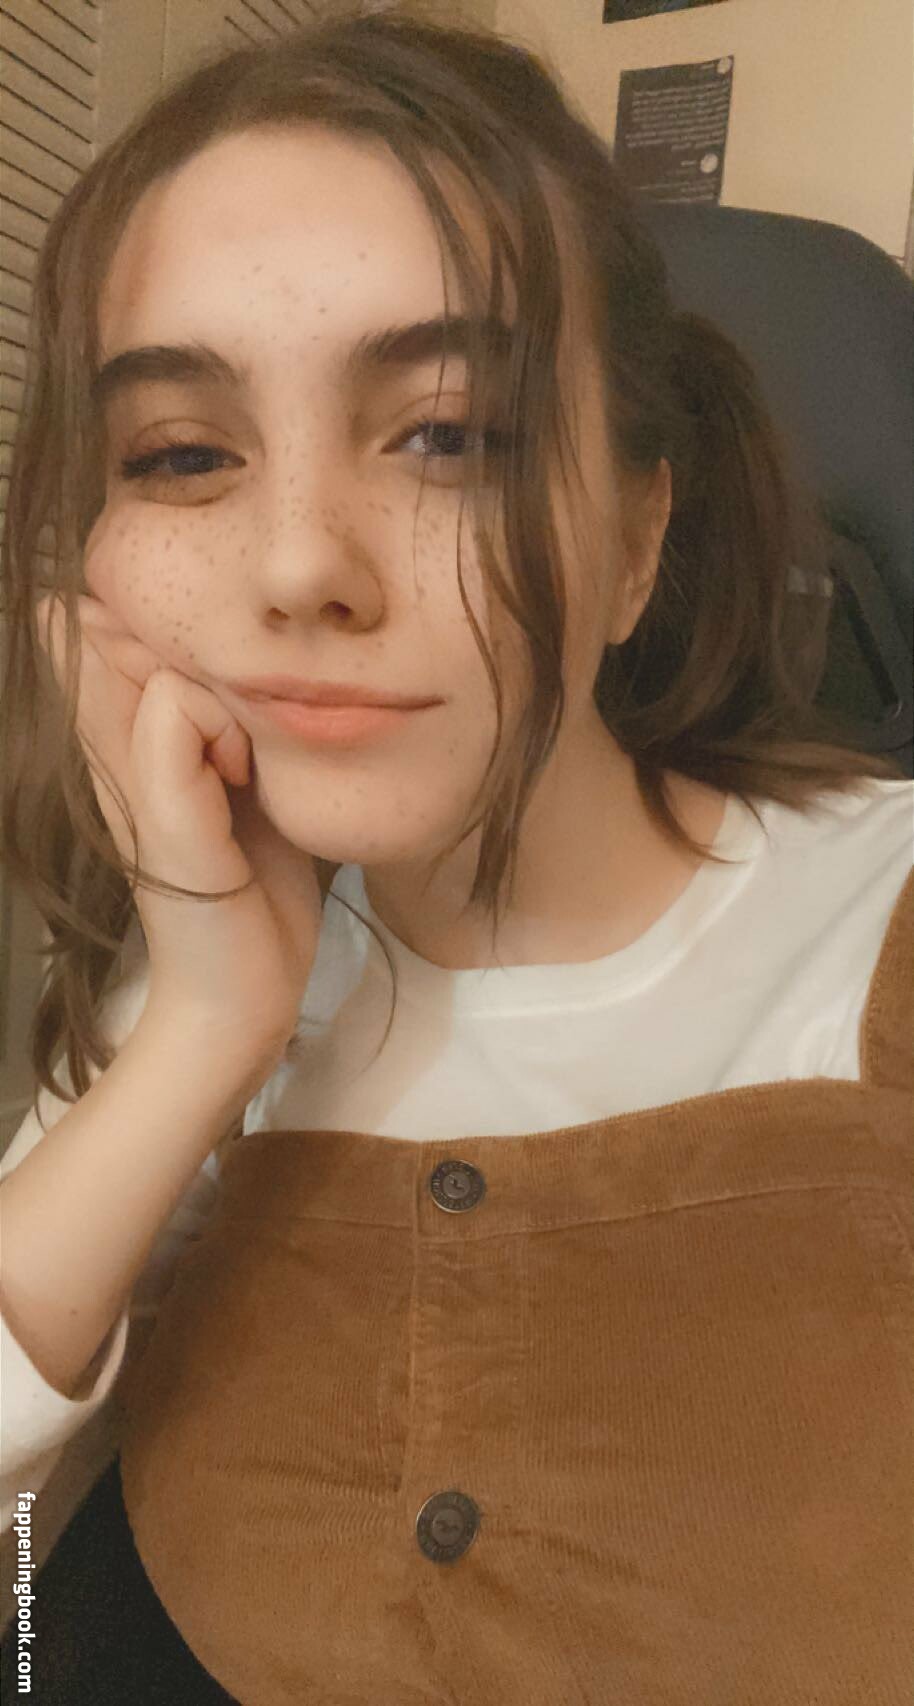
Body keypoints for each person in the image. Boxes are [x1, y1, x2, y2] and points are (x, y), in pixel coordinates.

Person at [0, 4, 911, 1702]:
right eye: (183, 454)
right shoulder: (201, 965)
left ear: (633, 537)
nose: (299, 566)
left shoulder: (878, 921)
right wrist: (204, 1023)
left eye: (446, 435)